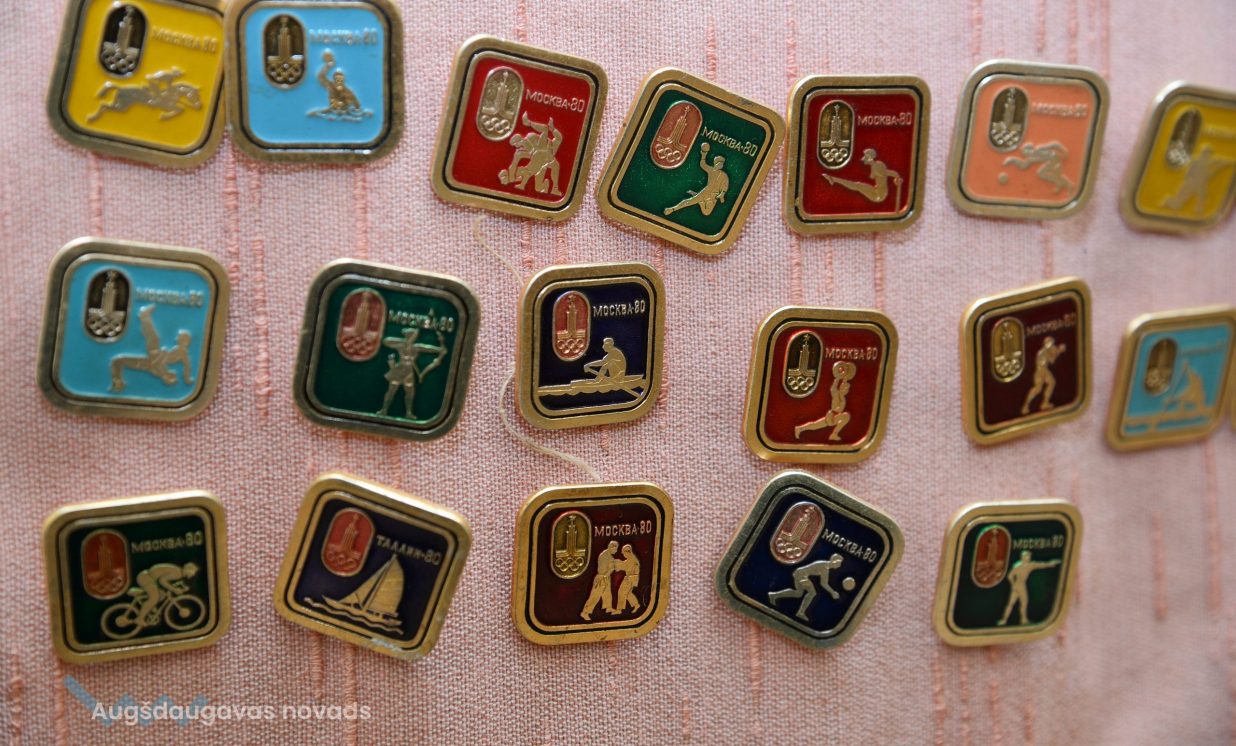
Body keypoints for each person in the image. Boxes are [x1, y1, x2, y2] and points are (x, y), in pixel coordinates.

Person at [109, 305, 192, 392]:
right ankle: (118, 382)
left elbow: (186, 366)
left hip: (153, 357)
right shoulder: (164, 368)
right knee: (118, 361)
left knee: (153, 338)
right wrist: (187, 379)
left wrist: (163, 354)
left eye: (179, 337)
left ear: (184, 340)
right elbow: (186, 366)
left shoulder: (181, 351)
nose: (176, 338)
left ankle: (144, 316)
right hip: (151, 360)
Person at [768, 554, 844, 621]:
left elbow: (824, 583)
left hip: (800, 574)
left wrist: (832, 592)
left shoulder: (826, 569)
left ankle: (773, 595)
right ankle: (801, 613)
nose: (840, 566)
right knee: (812, 593)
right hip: (801, 575)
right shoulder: (823, 566)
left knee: (798, 593)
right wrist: (832, 592)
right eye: (839, 563)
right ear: (835, 561)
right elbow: (823, 584)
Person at [664, 142, 729, 217]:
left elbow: (725, 185)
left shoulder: (724, 175)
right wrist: (704, 155)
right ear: (715, 163)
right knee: (689, 201)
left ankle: (698, 199)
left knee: (706, 212)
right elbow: (703, 164)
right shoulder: (711, 170)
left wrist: (722, 194)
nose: (721, 165)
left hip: (714, 196)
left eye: (722, 164)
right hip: (706, 191)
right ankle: (672, 209)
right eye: (719, 163)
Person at [997, 550, 1061, 626]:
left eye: (1029, 556)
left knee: (1014, 603)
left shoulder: (1029, 565)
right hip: (1019, 584)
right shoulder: (1018, 565)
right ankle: (1019, 620)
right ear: (1023, 557)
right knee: (1021, 602)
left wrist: (1051, 564)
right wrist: (1014, 584)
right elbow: (1010, 576)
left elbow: (1041, 564)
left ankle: (1008, 620)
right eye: (1027, 556)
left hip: (1019, 584)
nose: (1029, 557)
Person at [795, 362, 856, 440]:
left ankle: (800, 428)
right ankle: (833, 434)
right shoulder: (837, 394)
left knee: (815, 425)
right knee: (816, 425)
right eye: (845, 388)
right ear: (841, 388)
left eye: (847, 389)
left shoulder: (842, 397)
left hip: (835, 416)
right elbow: (833, 389)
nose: (847, 390)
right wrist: (837, 378)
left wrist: (844, 377)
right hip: (832, 416)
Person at [822, 148, 903, 207]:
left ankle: (833, 179)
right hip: (877, 191)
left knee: (857, 185)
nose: (862, 159)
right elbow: (880, 174)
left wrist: (897, 177)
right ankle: (834, 179)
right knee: (857, 185)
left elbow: (888, 172)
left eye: (865, 156)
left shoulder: (877, 166)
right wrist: (896, 176)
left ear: (869, 157)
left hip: (878, 195)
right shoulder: (875, 165)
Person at [132, 562, 198, 628]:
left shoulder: (178, 572)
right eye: (193, 571)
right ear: (187, 569)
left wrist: (178, 588)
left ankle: (149, 607)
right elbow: (162, 581)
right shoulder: (178, 573)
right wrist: (174, 589)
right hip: (146, 578)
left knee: (162, 595)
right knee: (154, 598)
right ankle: (139, 618)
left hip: (150, 578)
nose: (193, 574)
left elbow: (167, 581)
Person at [1003, 142, 1072, 193]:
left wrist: (1064, 151)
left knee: (1056, 174)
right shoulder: (1031, 158)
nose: (1025, 154)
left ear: (1030, 149)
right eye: (1023, 153)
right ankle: (1059, 183)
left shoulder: (1039, 149)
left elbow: (1054, 145)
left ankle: (1068, 185)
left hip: (1055, 160)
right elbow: (1023, 166)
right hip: (1050, 162)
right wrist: (1013, 160)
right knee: (1041, 173)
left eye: (1025, 151)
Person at [1020, 336, 1065, 414]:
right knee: (1038, 389)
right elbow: (1050, 361)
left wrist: (1057, 351)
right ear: (1046, 343)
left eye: (1052, 343)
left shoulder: (1047, 351)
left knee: (1051, 383)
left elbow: (1052, 360)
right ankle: (1026, 406)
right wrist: (1058, 352)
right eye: (1049, 343)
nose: (1051, 345)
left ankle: (1044, 403)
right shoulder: (1042, 352)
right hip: (1041, 372)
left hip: (1043, 371)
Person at [581, 541, 619, 620]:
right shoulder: (604, 555)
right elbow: (604, 568)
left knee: (607, 594)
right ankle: (585, 612)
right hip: (602, 577)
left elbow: (611, 567)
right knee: (595, 596)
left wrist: (612, 567)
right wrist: (611, 568)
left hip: (606, 577)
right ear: (611, 547)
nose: (616, 551)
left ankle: (608, 607)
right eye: (615, 549)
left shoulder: (609, 556)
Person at [611, 544, 641, 615]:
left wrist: (630, 578)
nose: (623, 555)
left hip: (629, 579)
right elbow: (623, 565)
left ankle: (619, 610)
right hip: (628, 579)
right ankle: (636, 605)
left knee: (621, 592)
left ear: (628, 552)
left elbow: (636, 573)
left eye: (624, 553)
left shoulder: (634, 561)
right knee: (628, 594)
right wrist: (616, 562)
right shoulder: (629, 560)